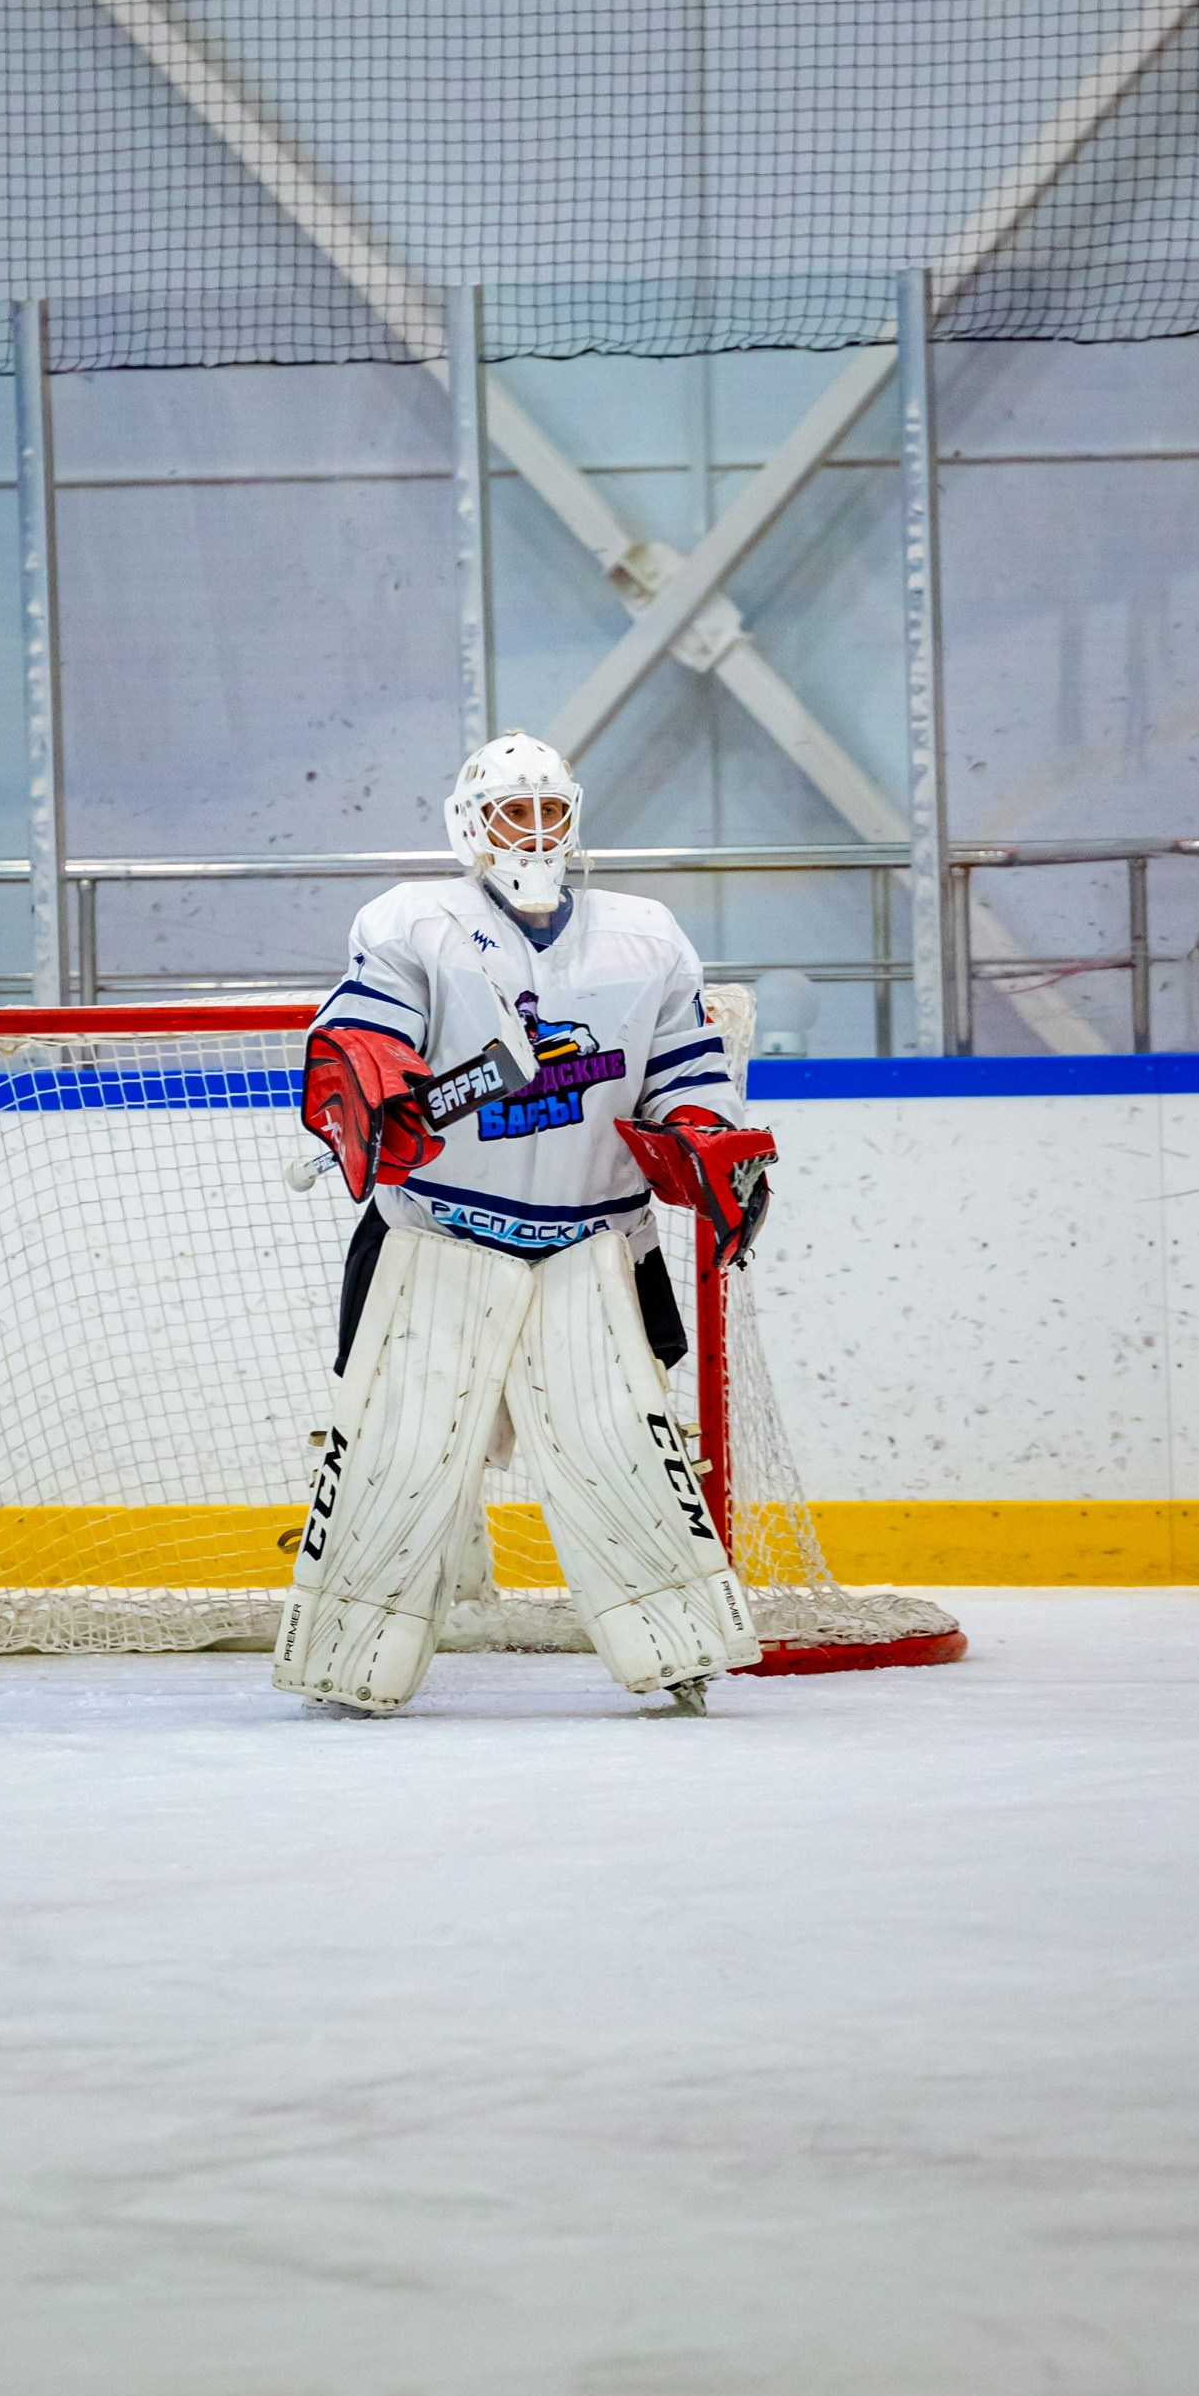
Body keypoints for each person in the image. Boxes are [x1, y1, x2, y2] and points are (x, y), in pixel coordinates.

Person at [278, 731, 777, 1717]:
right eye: (516, 812)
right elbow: (361, 1028)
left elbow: (685, 1072)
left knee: (624, 1452)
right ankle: (346, 1659)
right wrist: (368, 1081)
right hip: (437, 1238)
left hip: (592, 1241)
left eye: (552, 811)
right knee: (394, 1459)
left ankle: (677, 1648)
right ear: (472, 826)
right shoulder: (412, 921)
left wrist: (709, 1141)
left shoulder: (646, 935)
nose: (537, 831)